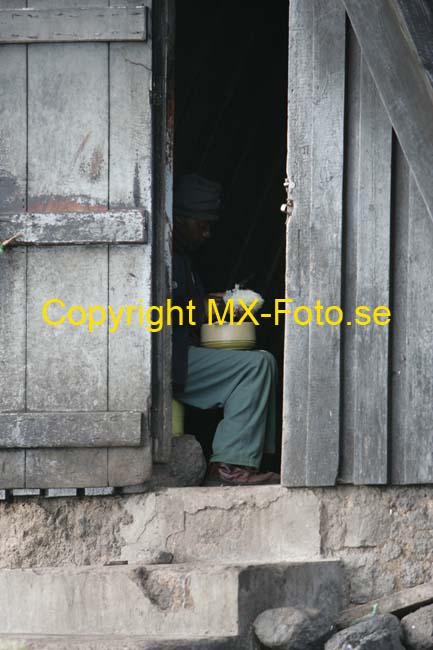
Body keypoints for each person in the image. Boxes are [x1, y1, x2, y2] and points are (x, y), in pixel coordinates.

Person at [172, 173, 280, 486]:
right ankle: (229, 467)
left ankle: (246, 459)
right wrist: (223, 305)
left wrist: (216, 299)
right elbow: (170, 311)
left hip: (182, 355)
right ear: (179, 219)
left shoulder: (182, 259)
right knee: (256, 366)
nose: (207, 233)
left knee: (263, 362)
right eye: (201, 223)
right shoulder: (162, 258)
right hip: (166, 361)